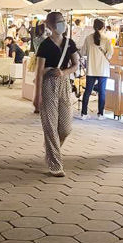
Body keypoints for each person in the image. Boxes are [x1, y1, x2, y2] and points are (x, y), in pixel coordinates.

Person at [34, 11, 79, 177]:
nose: (62, 24)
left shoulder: (70, 43)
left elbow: (76, 65)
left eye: (63, 21)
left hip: (64, 84)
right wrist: (37, 95)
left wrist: (64, 72)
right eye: (59, 22)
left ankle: (51, 149)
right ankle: (55, 164)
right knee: (50, 125)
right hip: (48, 84)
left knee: (65, 128)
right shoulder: (45, 45)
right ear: (51, 26)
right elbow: (39, 72)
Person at [81, 18, 112, 119]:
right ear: (103, 27)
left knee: (88, 91)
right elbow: (110, 54)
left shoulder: (88, 38)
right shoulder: (107, 39)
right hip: (103, 69)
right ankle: (100, 114)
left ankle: (84, 113)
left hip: (91, 68)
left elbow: (83, 52)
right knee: (102, 92)